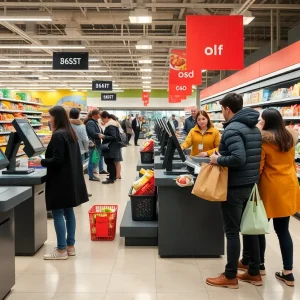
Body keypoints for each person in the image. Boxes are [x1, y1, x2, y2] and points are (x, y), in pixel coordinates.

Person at [206, 93, 262, 288]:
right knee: (249, 230)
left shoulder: (232, 130)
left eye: (221, 109)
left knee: (232, 232)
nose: (221, 113)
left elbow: (239, 158)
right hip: (250, 185)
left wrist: (217, 159)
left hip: (234, 187)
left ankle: (230, 276)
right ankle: (254, 272)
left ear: (227, 109)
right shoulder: (253, 127)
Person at [240, 108, 300, 287]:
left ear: (265, 122)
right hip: (288, 187)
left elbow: (259, 168)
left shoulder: (264, 143)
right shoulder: (289, 140)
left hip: (269, 188)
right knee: (283, 231)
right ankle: (288, 273)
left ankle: (260, 265)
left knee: (260, 228)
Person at [32, 106, 89, 260]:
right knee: (69, 212)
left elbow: (57, 160)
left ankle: (61, 250)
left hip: (59, 180)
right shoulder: (70, 133)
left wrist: (41, 161)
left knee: (57, 213)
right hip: (69, 180)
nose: (48, 120)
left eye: (50, 117)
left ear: (56, 118)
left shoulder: (58, 135)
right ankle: (70, 246)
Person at [85, 109, 108, 181]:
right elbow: (92, 133)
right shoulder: (91, 122)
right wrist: (99, 134)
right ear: (95, 115)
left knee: (96, 158)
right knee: (92, 160)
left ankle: (96, 172)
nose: (99, 115)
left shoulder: (94, 122)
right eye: (98, 114)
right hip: (93, 144)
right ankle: (91, 176)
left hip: (97, 143)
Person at [100, 111, 121, 184]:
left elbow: (113, 137)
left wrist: (104, 136)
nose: (103, 121)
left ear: (106, 117)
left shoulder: (111, 125)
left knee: (109, 162)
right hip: (112, 146)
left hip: (110, 147)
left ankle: (111, 179)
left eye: (102, 119)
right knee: (110, 162)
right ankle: (113, 177)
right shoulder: (112, 124)